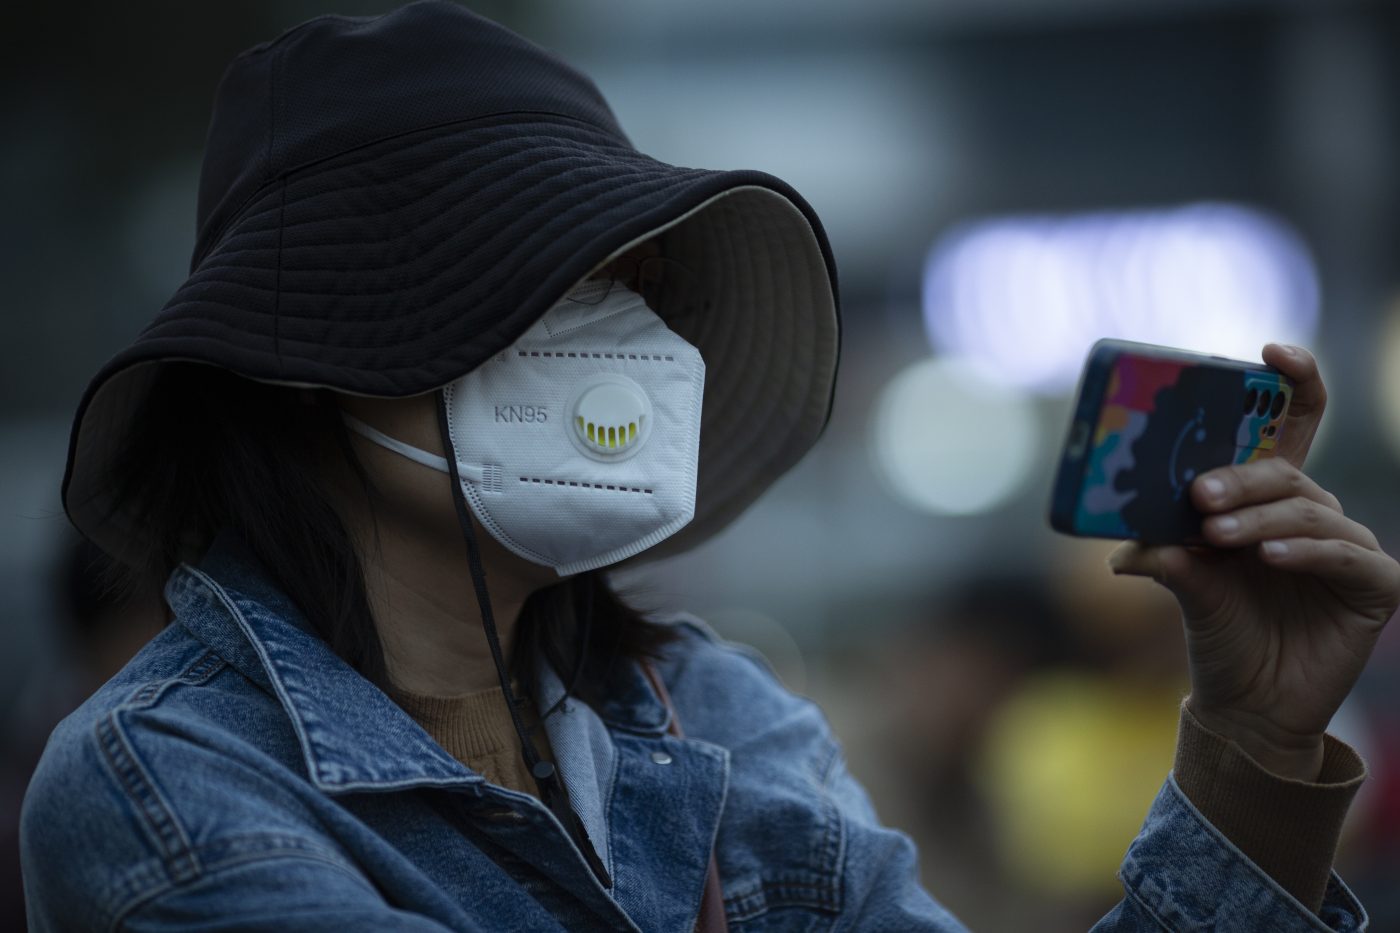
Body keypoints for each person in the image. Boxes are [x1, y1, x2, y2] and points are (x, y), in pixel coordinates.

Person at [20, 3, 1399, 931]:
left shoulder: (720, 719)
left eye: (639, 282)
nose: (624, 334)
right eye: (549, 275)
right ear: (316, 340)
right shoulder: (164, 781)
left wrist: (1256, 747)